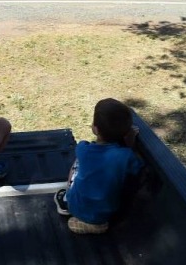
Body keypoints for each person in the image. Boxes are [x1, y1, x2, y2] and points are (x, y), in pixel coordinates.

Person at [53, 98, 142, 234]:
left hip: (76, 206)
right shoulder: (126, 156)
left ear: (95, 129)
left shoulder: (83, 149)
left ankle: (66, 199)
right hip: (108, 212)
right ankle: (95, 222)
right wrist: (130, 144)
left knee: (77, 163)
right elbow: (135, 168)